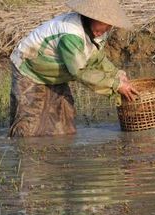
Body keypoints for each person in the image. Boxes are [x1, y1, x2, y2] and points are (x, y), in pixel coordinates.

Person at [9, 0, 139, 137]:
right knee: (29, 126)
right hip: (30, 69)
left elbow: (97, 58)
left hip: (56, 73)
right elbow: (80, 71)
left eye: (109, 27)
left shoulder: (98, 32)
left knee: (64, 124)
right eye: (104, 25)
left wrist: (116, 73)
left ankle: (58, 156)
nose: (105, 30)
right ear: (92, 18)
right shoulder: (71, 34)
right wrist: (115, 85)